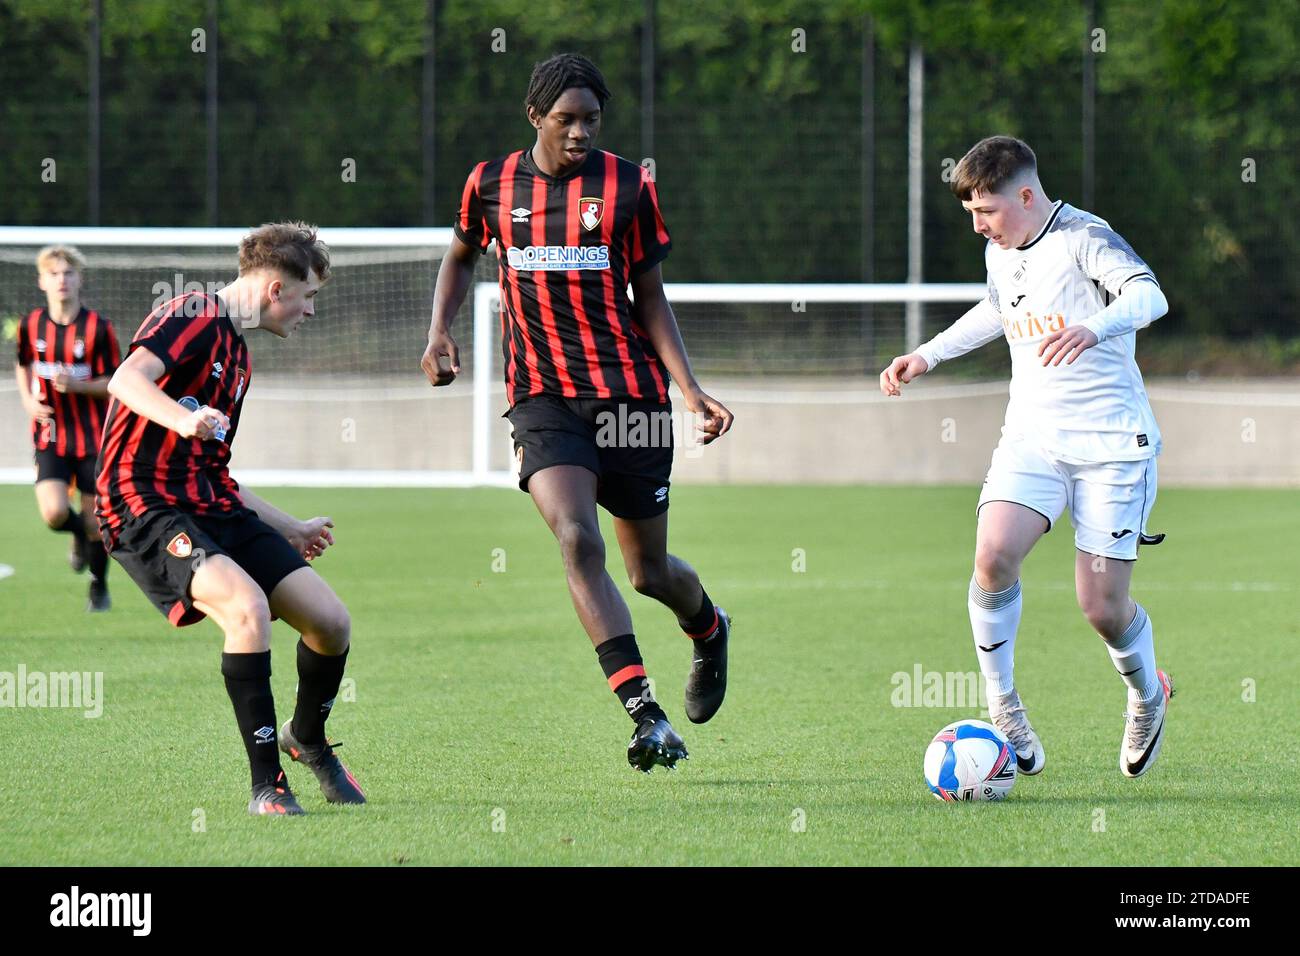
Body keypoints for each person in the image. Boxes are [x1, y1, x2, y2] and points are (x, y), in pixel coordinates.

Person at [420, 53, 735, 772]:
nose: (580, 133)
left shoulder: (628, 186)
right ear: (535, 116)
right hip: (543, 400)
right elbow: (462, 254)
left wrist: (690, 391)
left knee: (649, 573)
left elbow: (650, 297)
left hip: (631, 400)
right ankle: (645, 713)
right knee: (575, 538)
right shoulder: (489, 184)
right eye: (565, 119)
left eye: (591, 119)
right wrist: (439, 330)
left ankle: (710, 630)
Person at [880, 136, 1173, 778]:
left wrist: (1094, 326)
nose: (979, 225)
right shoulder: (999, 251)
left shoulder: (1082, 236)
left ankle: (1149, 694)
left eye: (986, 211)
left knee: (1102, 608)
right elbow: (997, 307)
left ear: (1026, 194)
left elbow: (1150, 296)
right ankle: (1004, 702)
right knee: (992, 555)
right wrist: (927, 354)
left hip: (1111, 447)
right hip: (1033, 439)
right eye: (971, 215)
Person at [96, 222, 364, 814]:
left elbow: (216, 476)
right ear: (275, 289)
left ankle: (308, 739)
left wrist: (287, 525)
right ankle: (266, 785)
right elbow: (126, 379)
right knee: (247, 607)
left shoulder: (238, 358)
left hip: (206, 502)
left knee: (331, 623)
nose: (310, 312)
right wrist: (180, 418)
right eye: (309, 296)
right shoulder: (192, 309)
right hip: (141, 503)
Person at [14, 245, 120, 610]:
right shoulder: (30, 325)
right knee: (55, 513)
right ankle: (78, 538)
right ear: (42, 281)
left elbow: (116, 382)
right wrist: (29, 400)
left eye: (69, 273)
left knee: (97, 521)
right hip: (51, 437)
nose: (62, 280)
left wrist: (78, 385)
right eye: (55, 274)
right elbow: (24, 364)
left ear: (80, 279)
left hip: (93, 440)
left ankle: (98, 585)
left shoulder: (99, 329)